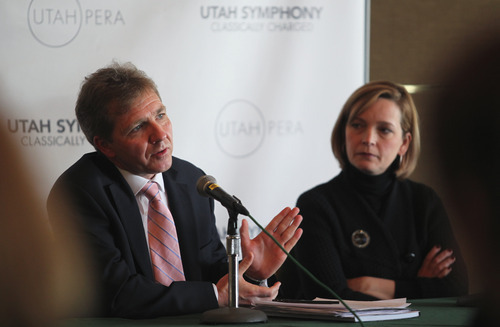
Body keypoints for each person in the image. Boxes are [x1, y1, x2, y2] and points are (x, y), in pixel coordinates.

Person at [47, 62, 303, 318]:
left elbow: (210, 269)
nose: (160, 134)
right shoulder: (78, 193)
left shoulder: (192, 181)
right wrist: (216, 296)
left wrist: (250, 273)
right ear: (105, 146)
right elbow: (115, 294)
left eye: (160, 115)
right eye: (138, 127)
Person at [279, 80, 468, 301]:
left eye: (384, 130)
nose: (368, 139)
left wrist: (365, 284)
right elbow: (330, 298)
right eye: (357, 125)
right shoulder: (315, 204)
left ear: (404, 144)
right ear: (343, 134)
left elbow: (456, 289)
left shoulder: (423, 201)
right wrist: (417, 285)